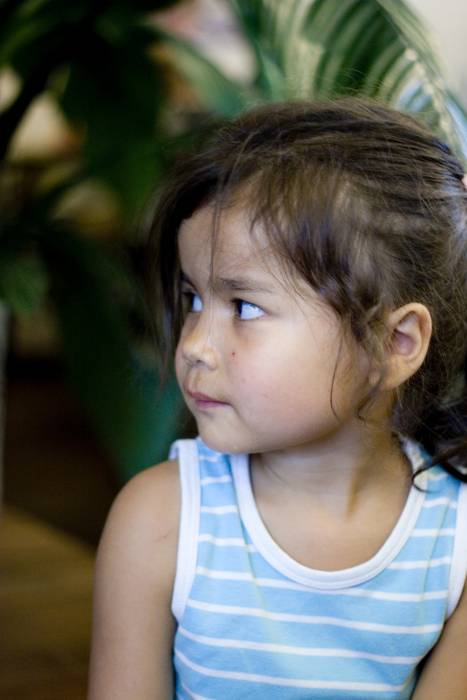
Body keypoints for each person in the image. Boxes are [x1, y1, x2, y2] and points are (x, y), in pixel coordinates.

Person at [87, 99, 467, 699]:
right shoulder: (161, 520)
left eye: (244, 306)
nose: (195, 346)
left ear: (394, 343)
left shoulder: (455, 542)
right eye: (193, 299)